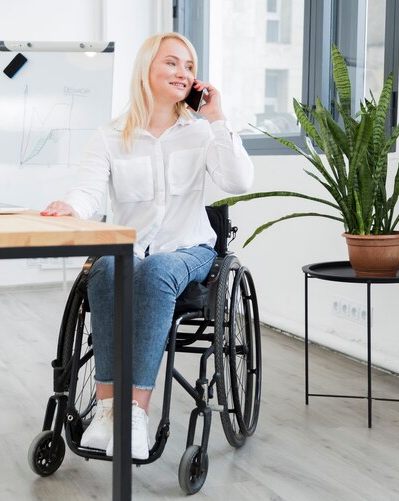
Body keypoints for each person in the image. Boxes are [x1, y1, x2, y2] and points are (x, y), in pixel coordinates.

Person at [41, 32, 253, 460]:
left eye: (189, 67)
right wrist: (70, 206)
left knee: (156, 272)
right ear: (147, 70)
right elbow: (88, 193)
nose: (183, 73)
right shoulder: (110, 136)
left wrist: (217, 118)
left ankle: (134, 416)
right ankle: (106, 412)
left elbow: (238, 182)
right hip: (130, 249)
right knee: (104, 267)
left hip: (189, 249)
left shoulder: (200, 134)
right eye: (172, 63)